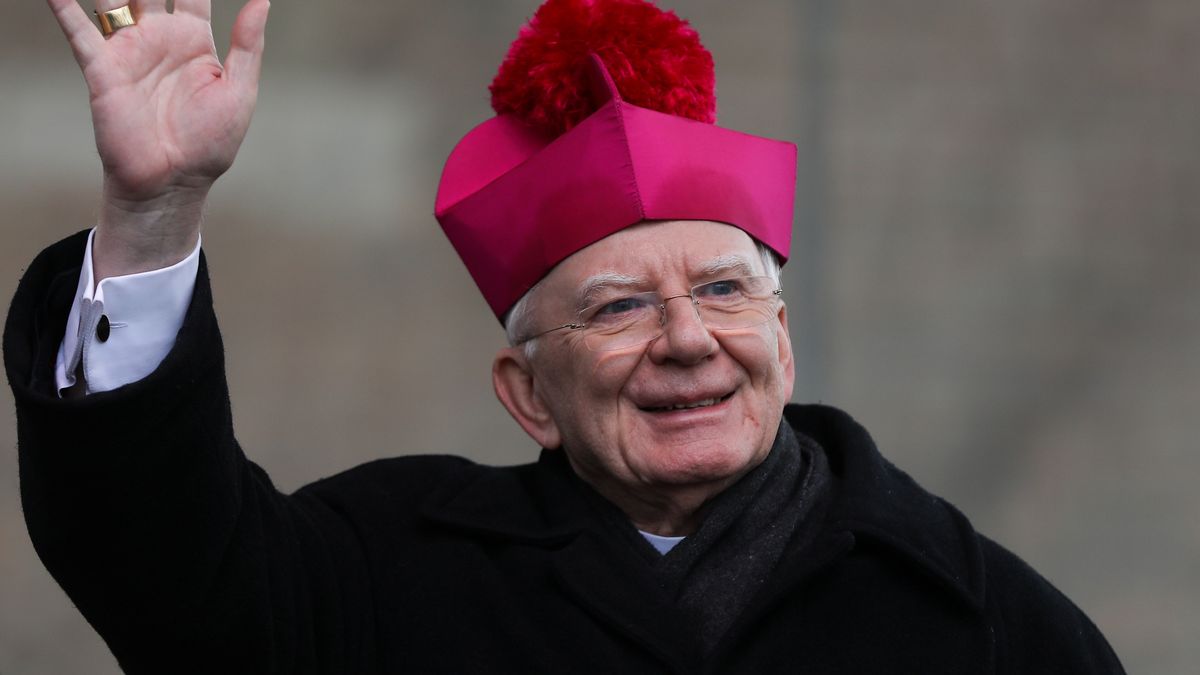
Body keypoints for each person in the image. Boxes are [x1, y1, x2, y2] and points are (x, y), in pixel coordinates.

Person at [5, 0, 1125, 672]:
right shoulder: (384, 572)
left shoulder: (979, 619)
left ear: (782, 338)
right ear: (525, 393)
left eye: (727, 292)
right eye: (620, 307)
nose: (689, 339)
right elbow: (159, 572)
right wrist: (154, 213)